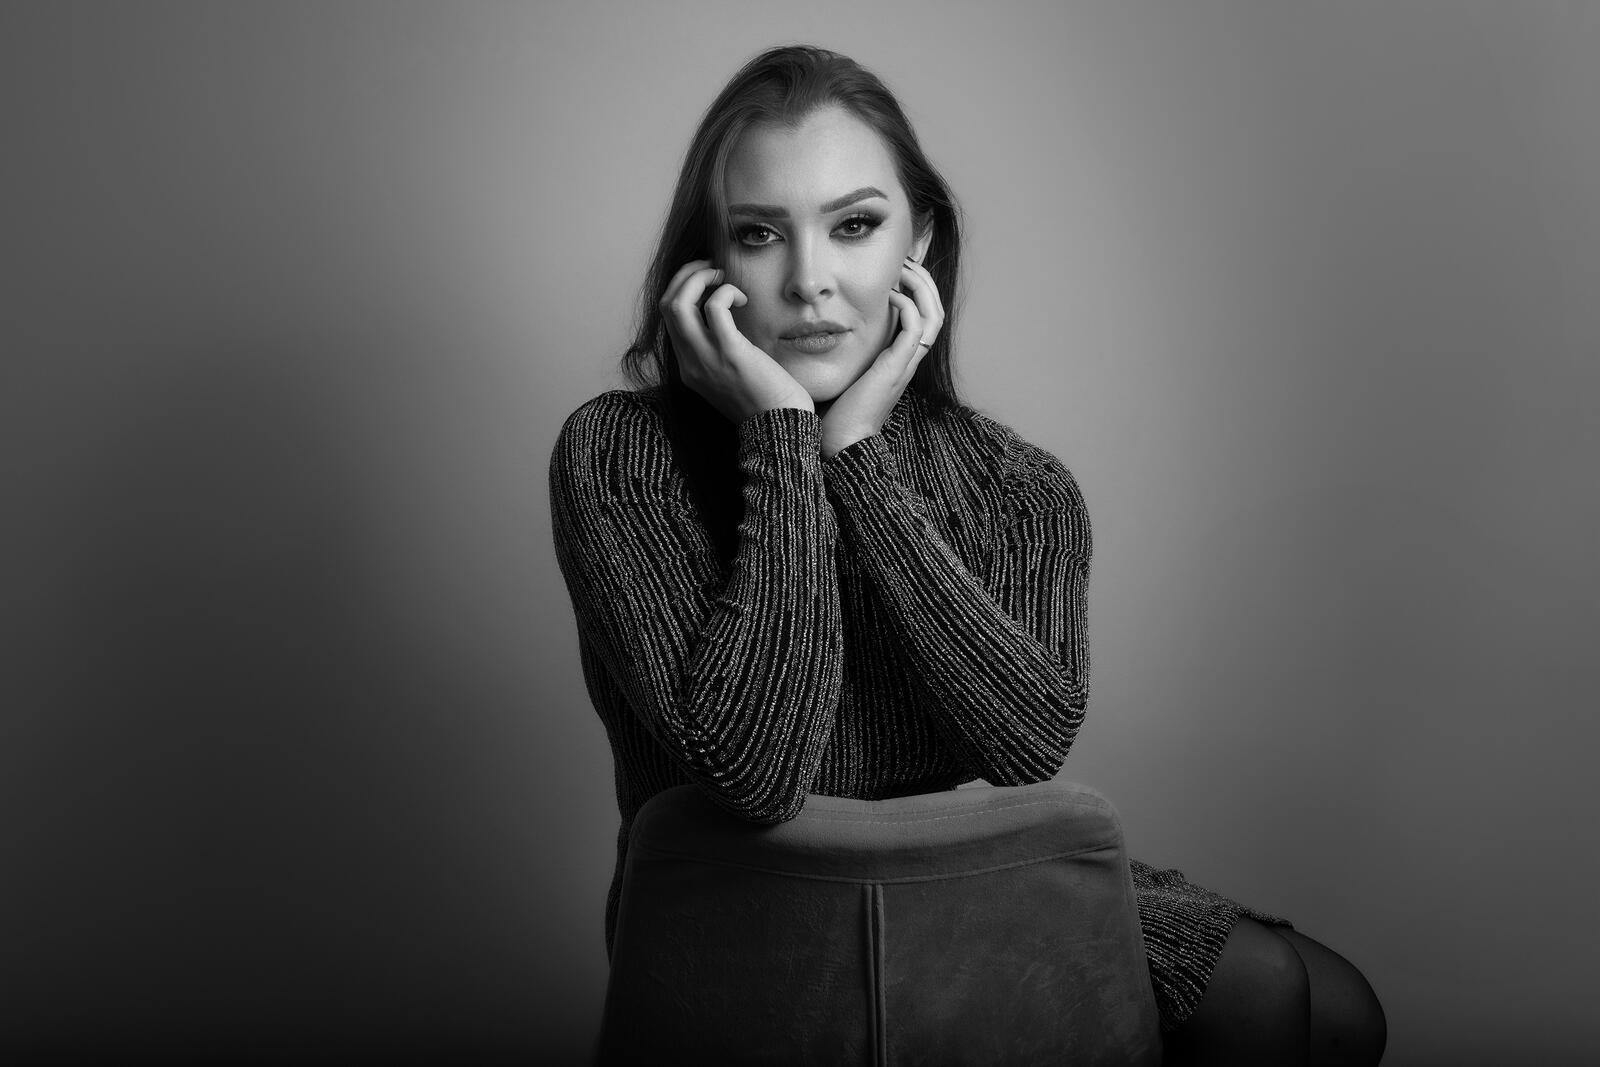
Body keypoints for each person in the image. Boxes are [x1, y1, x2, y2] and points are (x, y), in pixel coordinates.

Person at [549, 44, 1386, 1065]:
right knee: (1264, 992)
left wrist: (857, 458)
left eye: (854, 225)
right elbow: (753, 775)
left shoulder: (1016, 484)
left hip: (959, 879)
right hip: (736, 898)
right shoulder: (619, 453)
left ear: (920, 240)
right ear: (709, 265)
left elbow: (1026, 745)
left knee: (1337, 1009)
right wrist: (781, 438)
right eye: (759, 233)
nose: (810, 281)